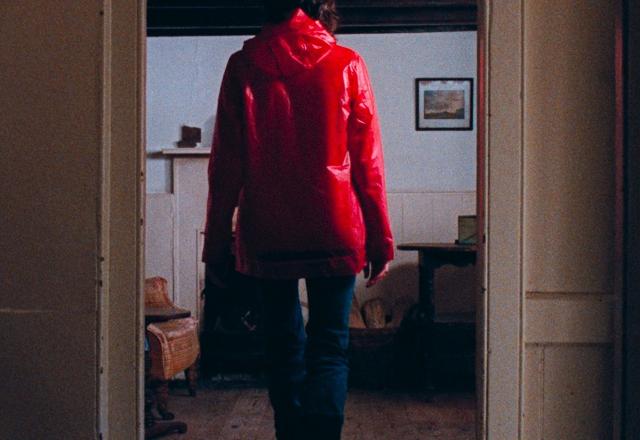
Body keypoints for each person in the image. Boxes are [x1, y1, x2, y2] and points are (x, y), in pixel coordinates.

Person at [202, 1, 394, 438]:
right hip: (335, 226)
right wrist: (381, 239)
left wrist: (215, 246)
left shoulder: (242, 66)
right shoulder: (347, 63)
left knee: (282, 347)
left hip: (267, 231)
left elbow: (225, 167)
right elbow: (369, 164)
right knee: (330, 347)